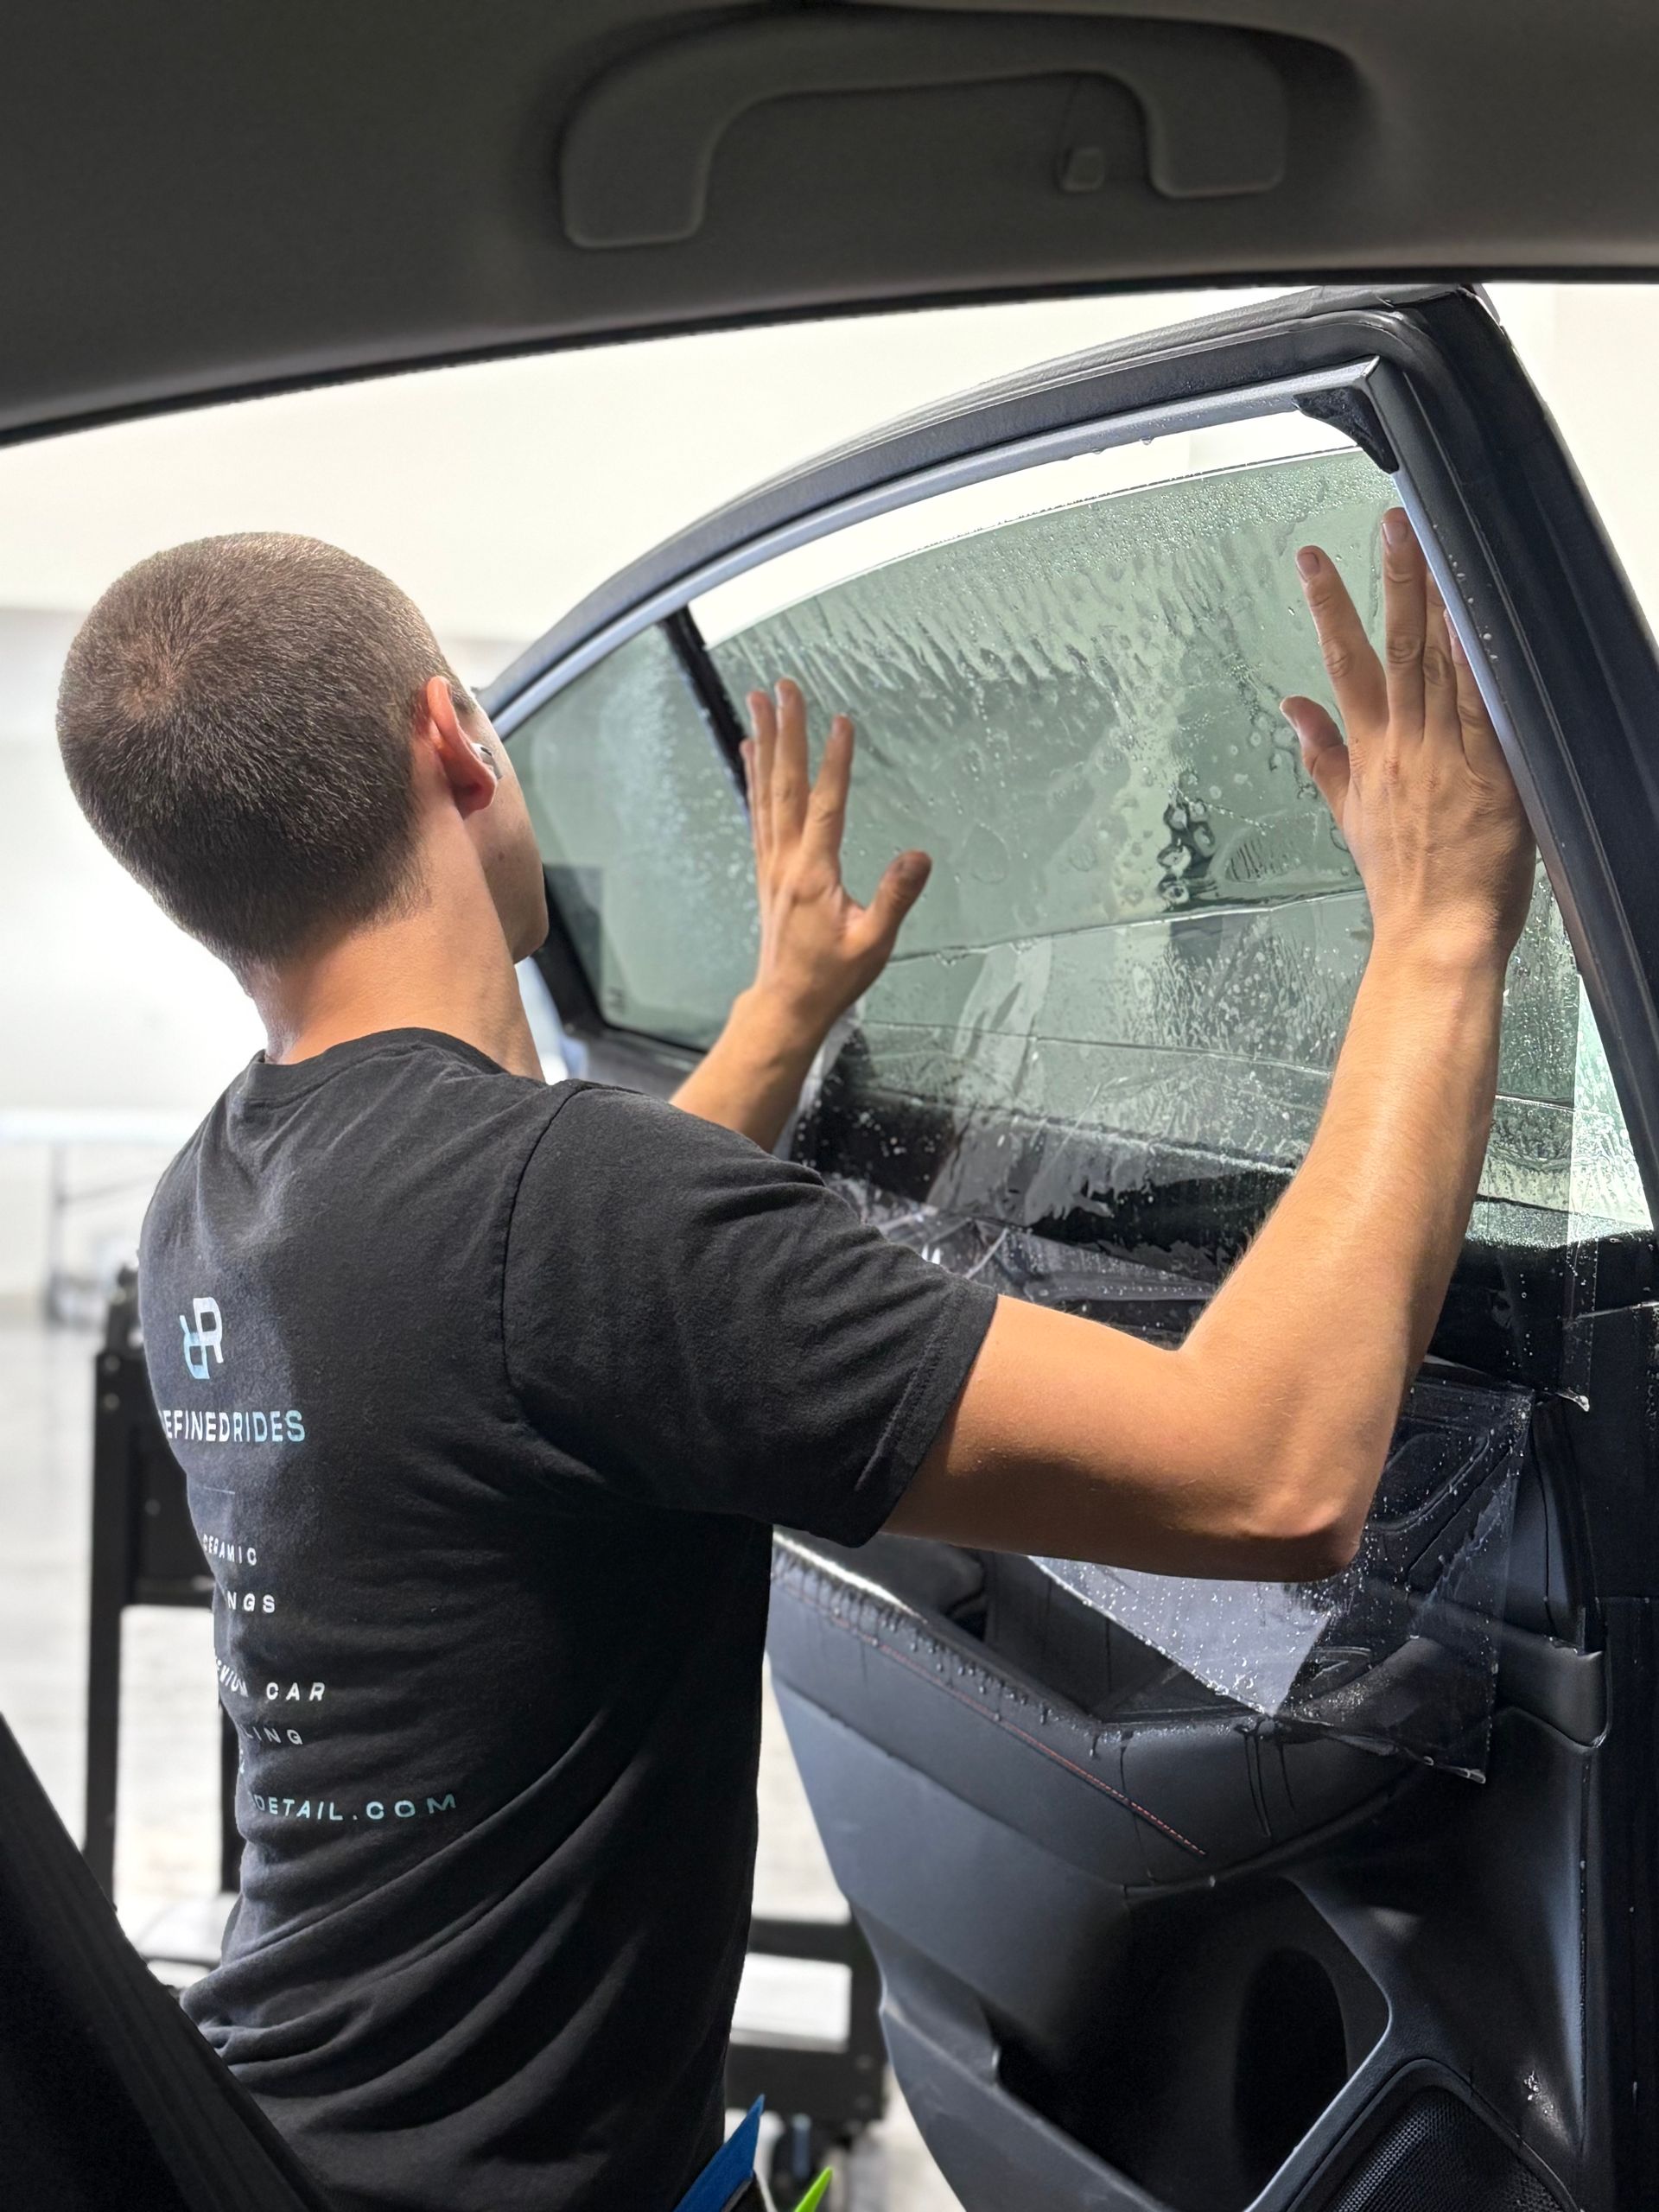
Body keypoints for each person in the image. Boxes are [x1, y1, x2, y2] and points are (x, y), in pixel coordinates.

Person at [54, 510, 1533, 2212]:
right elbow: (1270, 1472)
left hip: (275, 2137)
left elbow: (549, 1318)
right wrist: (1439, 932)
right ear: (454, 740)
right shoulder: (569, 1213)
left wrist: (787, 1003)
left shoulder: (219, 1199)